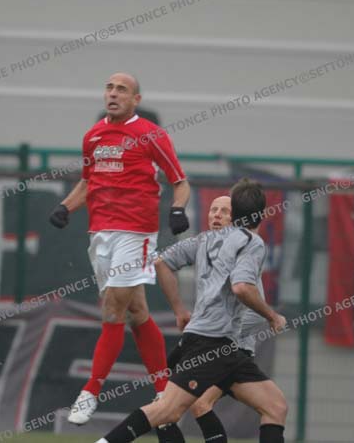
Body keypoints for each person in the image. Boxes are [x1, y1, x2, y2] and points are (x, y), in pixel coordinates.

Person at [95, 179, 289, 443]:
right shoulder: (249, 242)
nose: (217, 215)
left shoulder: (209, 240)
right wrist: (273, 316)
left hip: (228, 347)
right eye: (213, 209)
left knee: (275, 406)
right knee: (168, 410)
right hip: (214, 342)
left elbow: (161, 262)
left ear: (235, 214)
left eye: (224, 210)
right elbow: (242, 288)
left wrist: (181, 311)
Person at [49, 72, 191, 425]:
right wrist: (66, 206)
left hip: (135, 233)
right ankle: (164, 390)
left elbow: (180, 182)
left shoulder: (150, 134)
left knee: (113, 308)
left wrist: (177, 210)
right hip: (101, 234)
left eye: (121, 90)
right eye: (109, 88)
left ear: (135, 99)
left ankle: (90, 391)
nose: (113, 94)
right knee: (136, 311)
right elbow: (88, 182)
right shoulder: (93, 136)